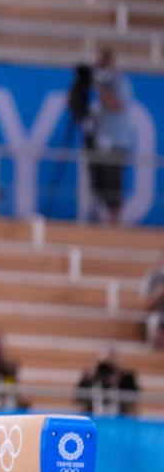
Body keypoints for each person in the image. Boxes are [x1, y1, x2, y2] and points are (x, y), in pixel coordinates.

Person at [88, 48, 133, 225]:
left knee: (113, 182)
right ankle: (105, 217)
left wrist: (100, 87)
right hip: (101, 141)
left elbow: (116, 105)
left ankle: (115, 220)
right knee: (101, 182)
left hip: (117, 142)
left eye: (104, 64)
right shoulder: (99, 84)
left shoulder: (120, 82)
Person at [75, 349, 140, 415]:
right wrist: (90, 378)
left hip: (120, 416)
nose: (107, 370)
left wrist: (119, 378)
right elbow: (78, 398)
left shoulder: (127, 377)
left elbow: (134, 399)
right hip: (93, 413)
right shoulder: (90, 376)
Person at [142, 252, 164, 349]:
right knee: (155, 322)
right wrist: (159, 292)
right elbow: (145, 305)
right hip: (157, 314)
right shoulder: (152, 278)